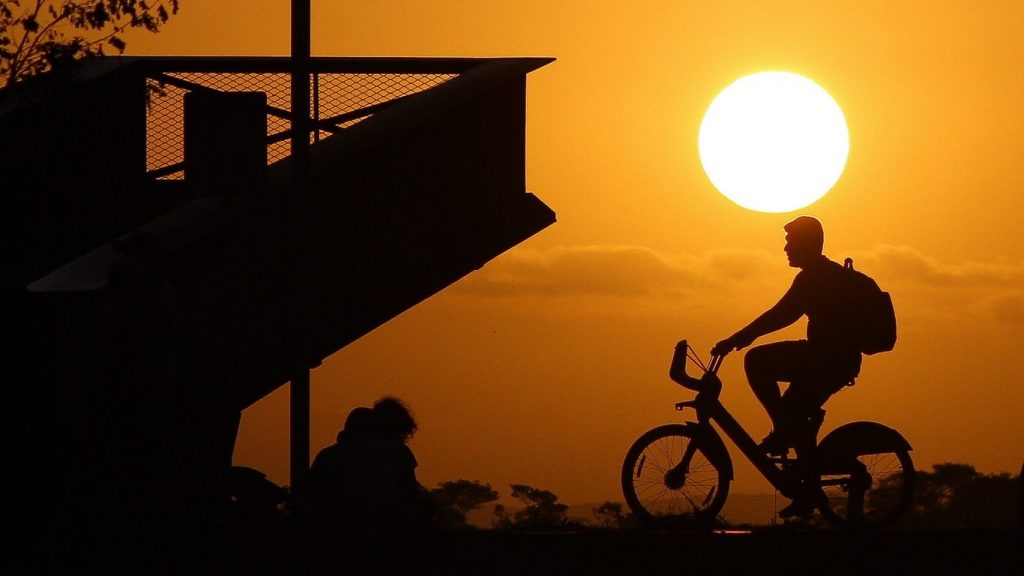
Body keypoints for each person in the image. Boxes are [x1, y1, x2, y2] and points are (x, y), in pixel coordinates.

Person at [711, 216, 863, 517]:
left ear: (807, 244)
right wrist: (741, 337)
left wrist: (737, 339)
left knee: (756, 360)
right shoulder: (819, 274)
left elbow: (780, 315)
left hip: (827, 360)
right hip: (830, 360)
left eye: (790, 242)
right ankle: (809, 492)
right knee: (796, 418)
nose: (785, 248)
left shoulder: (815, 277)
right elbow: (783, 314)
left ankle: (783, 432)